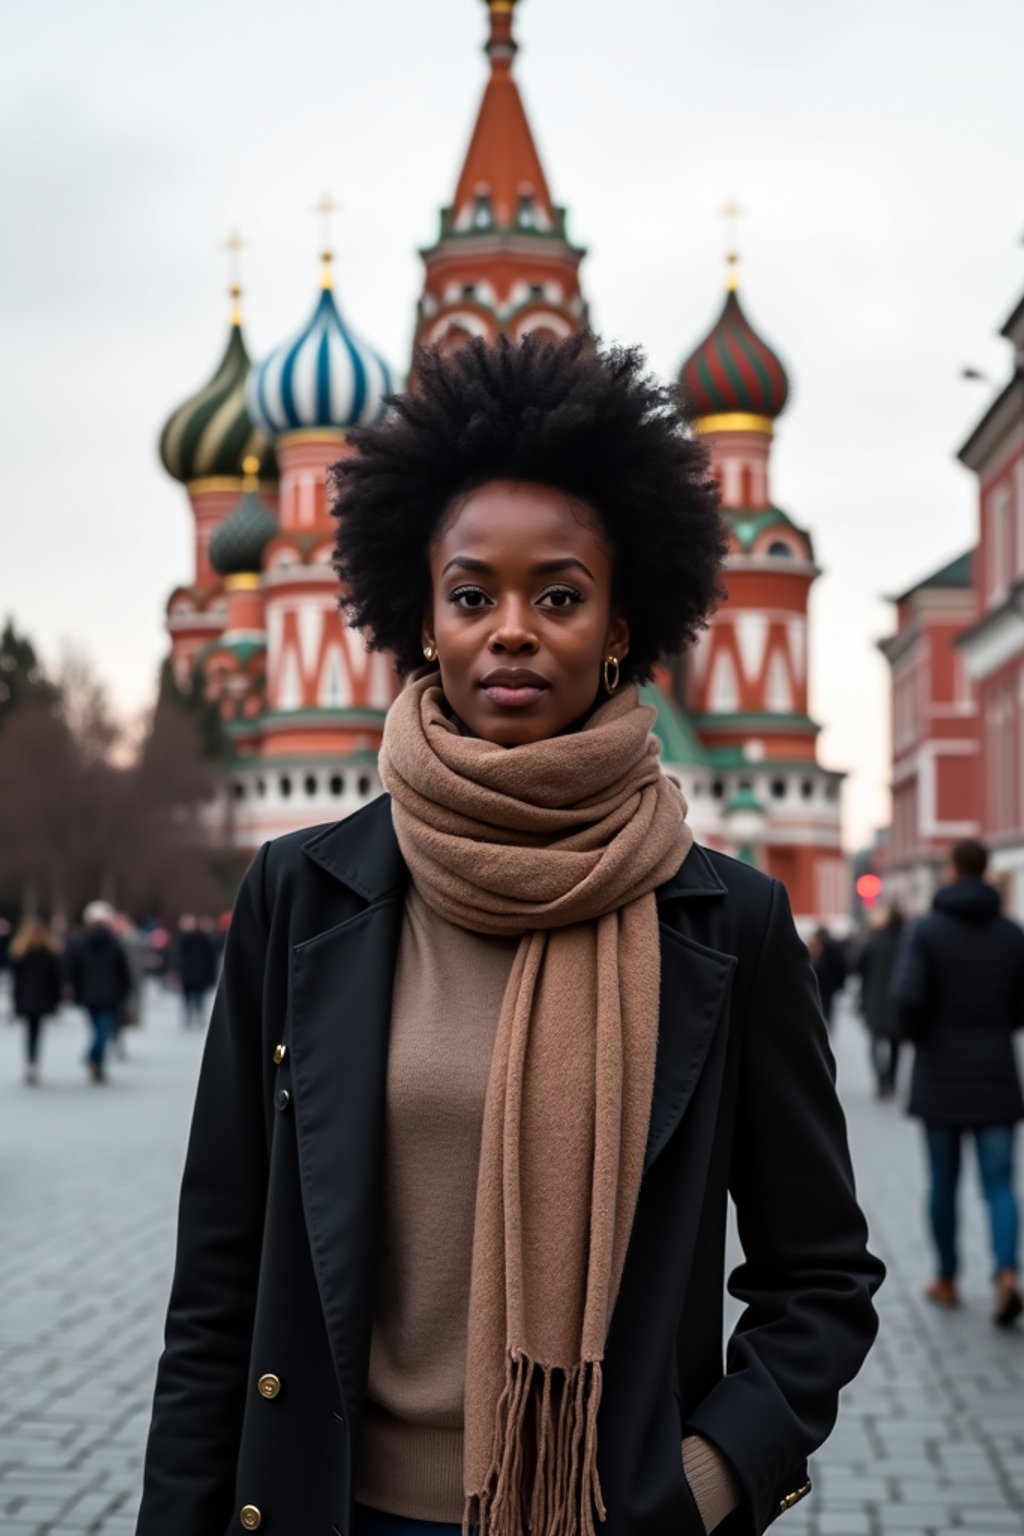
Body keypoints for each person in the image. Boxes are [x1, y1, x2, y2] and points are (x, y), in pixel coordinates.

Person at [137, 335, 884, 1536]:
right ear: (422, 619)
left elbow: (821, 1283)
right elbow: (219, 1283)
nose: (513, 630)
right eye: (473, 594)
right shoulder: (301, 895)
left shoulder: (725, 923)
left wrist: (698, 1484)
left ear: (621, 623)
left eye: (560, 595)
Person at [892, 838, 1024, 1327]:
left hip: (939, 1072)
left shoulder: (927, 932)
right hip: (995, 1072)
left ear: (951, 872)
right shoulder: (1011, 934)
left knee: (943, 1182)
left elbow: (906, 998)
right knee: (999, 1185)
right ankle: (1006, 1273)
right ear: (987, 871)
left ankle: (947, 1278)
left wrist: (919, 1037)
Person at [66, 899, 132, 1083]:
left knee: (98, 1029)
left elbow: (72, 969)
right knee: (102, 1031)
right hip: (110, 993)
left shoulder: (79, 942)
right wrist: (126, 989)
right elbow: (123, 970)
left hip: (88, 994)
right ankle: (95, 1059)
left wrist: (72, 988)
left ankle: (97, 1062)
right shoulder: (114, 943)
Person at [855, 906, 904, 1098]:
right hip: (896, 1000)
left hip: (873, 998)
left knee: (875, 1041)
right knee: (895, 1043)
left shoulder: (872, 942)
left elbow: (858, 966)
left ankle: (880, 1080)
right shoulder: (903, 942)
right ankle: (891, 1079)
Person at [9, 916, 62, 1084]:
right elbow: (55, 978)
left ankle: (30, 1063)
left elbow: (15, 978)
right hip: (42, 997)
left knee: (29, 1032)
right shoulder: (49, 952)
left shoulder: (19, 952)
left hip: (24, 996)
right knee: (37, 1031)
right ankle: (34, 1063)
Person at [172, 913, 217, 1027]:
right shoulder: (179, 938)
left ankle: (198, 1014)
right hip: (186, 974)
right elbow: (175, 957)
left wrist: (211, 975)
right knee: (187, 996)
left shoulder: (203, 938)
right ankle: (189, 1015)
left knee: (199, 996)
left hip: (200, 974)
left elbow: (210, 958)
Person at [807, 925, 848, 1031]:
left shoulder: (830, 953)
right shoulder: (813, 953)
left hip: (826, 988)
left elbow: (840, 969)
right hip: (821, 989)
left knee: (825, 1012)